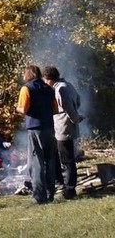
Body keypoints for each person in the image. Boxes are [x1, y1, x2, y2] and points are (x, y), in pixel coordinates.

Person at [16, 64, 59, 204]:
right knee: (50, 161)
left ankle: (39, 197)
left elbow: (23, 109)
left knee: (36, 163)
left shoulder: (26, 88)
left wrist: (17, 108)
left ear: (27, 75)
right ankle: (49, 194)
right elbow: (55, 110)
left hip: (35, 128)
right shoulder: (49, 88)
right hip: (49, 127)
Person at [43, 65, 82, 200]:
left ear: (49, 78)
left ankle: (70, 190)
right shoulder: (68, 84)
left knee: (67, 160)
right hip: (61, 127)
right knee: (59, 157)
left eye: (45, 80)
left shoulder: (60, 88)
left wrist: (75, 118)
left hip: (63, 127)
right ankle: (60, 183)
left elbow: (68, 107)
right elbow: (78, 100)